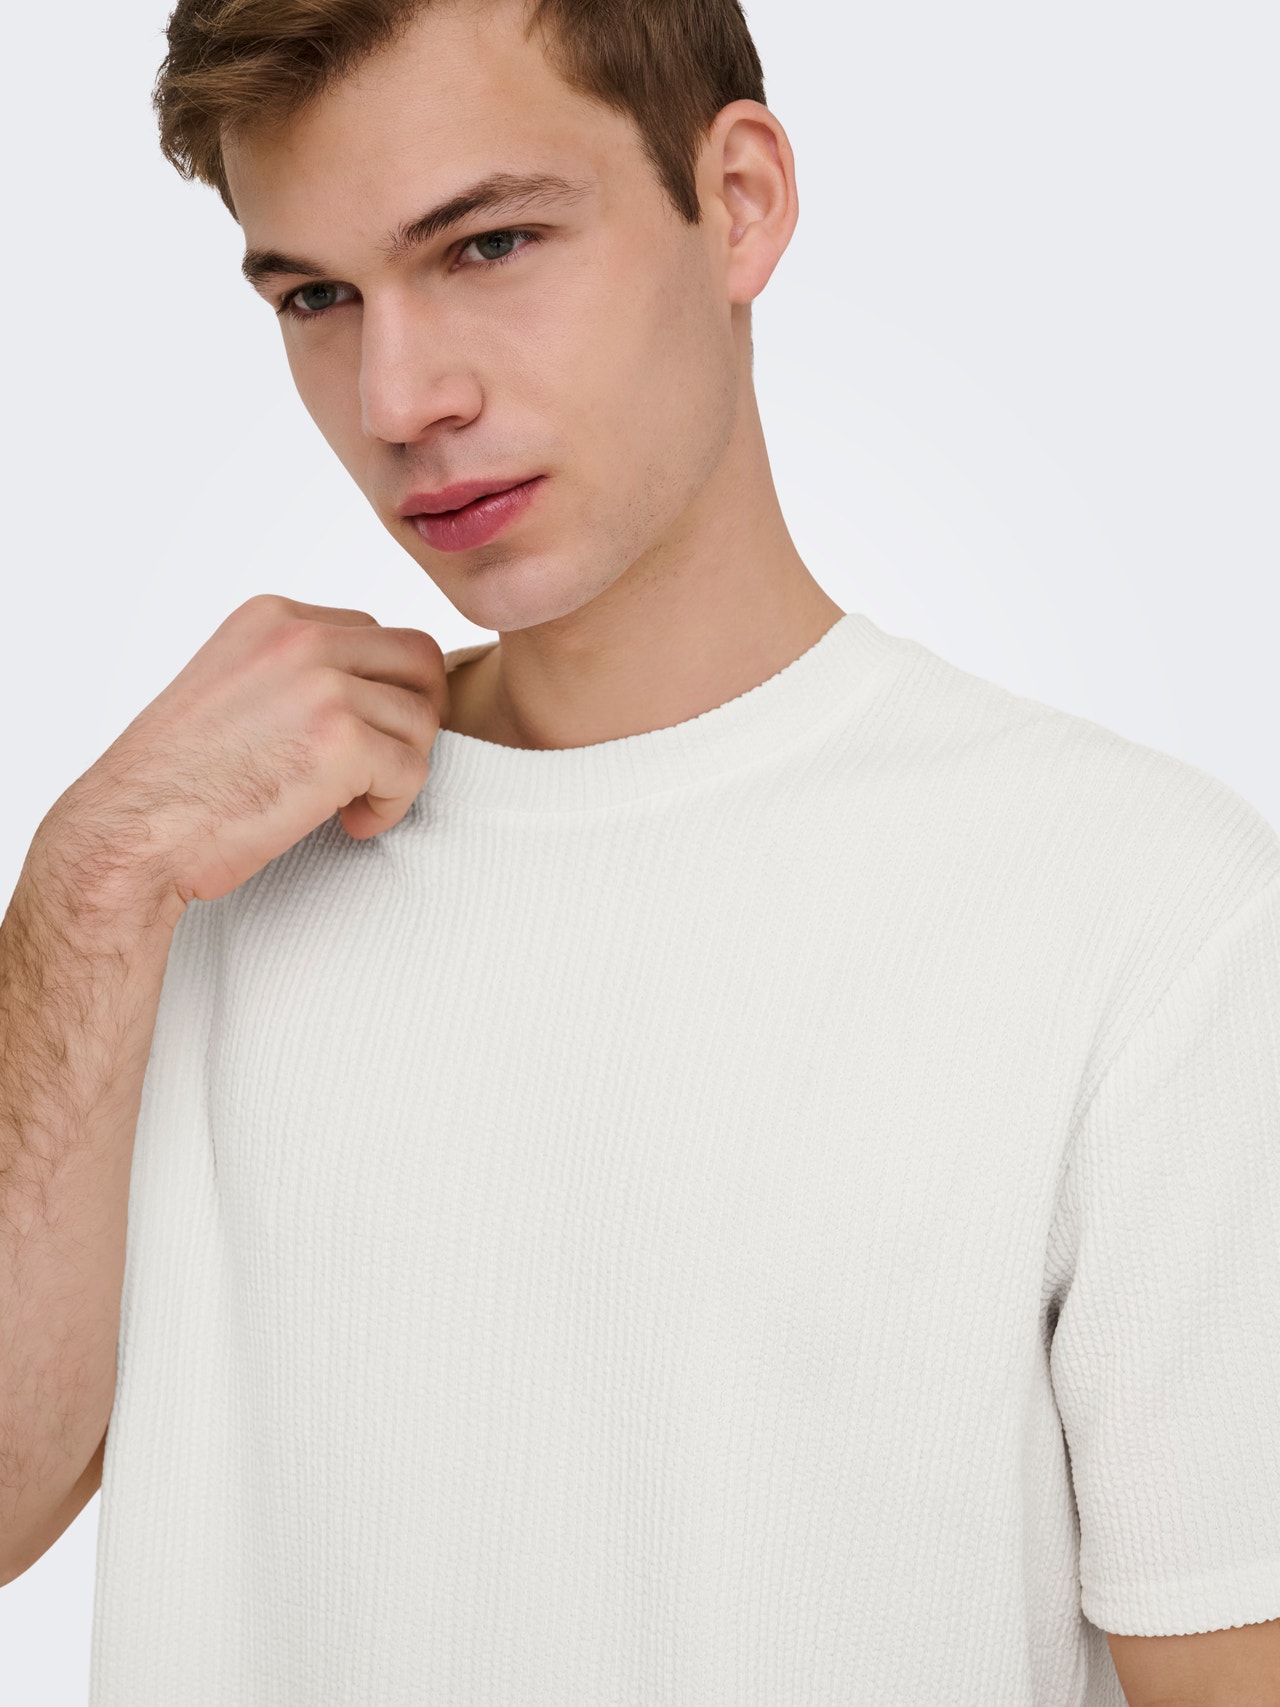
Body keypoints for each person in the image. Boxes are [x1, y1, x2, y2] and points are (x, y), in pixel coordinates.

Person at [0, 1, 1277, 1702]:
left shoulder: (1145, 915)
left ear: (737, 202)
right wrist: (89, 888)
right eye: (314, 297)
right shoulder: (198, 875)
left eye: (489, 245)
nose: (399, 396)